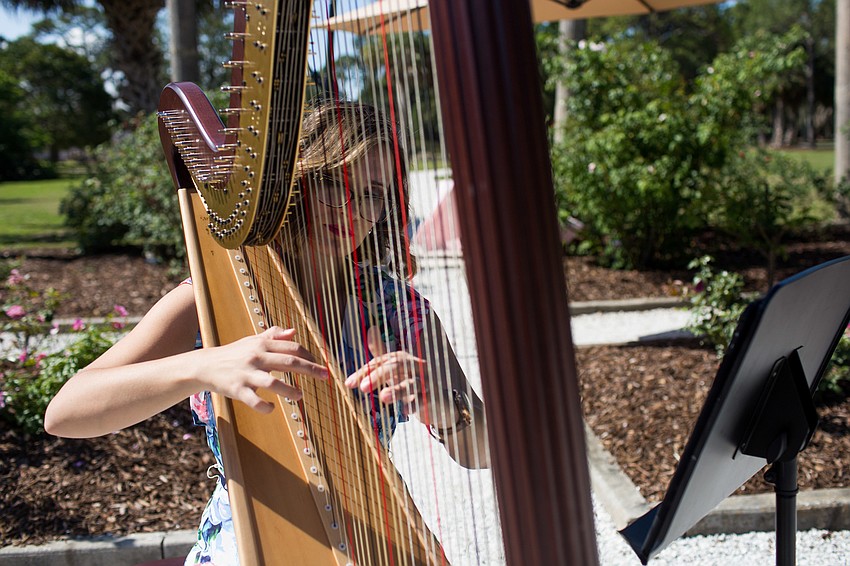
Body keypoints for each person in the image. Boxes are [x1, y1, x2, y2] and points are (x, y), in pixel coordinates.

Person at [44, 101, 488, 566]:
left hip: (371, 538)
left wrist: (443, 405)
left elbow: (482, 453)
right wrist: (201, 366)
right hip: (243, 545)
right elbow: (66, 412)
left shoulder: (401, 309)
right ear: (295, 184)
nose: (353, 209)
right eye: (335, 183)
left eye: (374, 193)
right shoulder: (208, 301)